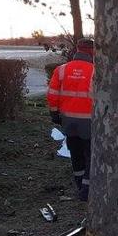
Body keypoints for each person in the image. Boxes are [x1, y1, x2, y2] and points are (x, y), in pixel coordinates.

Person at [47, 39, 95, 201]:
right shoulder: (96, 71)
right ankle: (87, 190)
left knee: (75, 152)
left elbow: (52, 94)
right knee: (90, 154)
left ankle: (79, 183)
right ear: (91, 52)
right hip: (88, 121)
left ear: (77, 50)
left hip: (67, 120)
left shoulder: (61, 70)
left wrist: (55, 114)